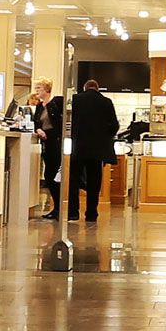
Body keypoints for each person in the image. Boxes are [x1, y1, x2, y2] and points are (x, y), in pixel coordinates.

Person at [69, 78, 119, 223]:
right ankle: (91, 213)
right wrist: (104, 136)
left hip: (78, 147)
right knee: (94, 182)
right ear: (98, 89)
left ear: (84, 88)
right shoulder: (106, 102)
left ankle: (73, 212)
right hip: (98, 149)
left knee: (74, 180)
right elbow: (114, 125)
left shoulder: (76, 99)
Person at [32, 77, 63, 220]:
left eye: (39, 88)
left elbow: (59, 126)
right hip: (45, 144)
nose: (36, 90)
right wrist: (38, 129)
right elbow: (36, 122)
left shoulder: (56, 104)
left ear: (46, 89)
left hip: (54, 145)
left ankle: (58, 208)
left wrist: (47, 133)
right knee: (49, 175)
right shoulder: (39, 106)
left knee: (52, 176)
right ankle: (56, 207)